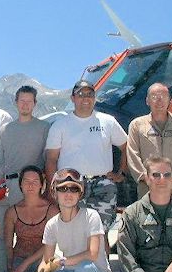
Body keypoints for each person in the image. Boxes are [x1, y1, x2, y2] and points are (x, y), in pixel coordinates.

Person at [19, 168, 112, 272]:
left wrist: (62, 262)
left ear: (80, 193)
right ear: (54, 192)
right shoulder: (52, 224)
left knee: (85, 268)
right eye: (62, 189)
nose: (68, 193)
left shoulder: (91, 216)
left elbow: (92, 254)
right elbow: (46, 260)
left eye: (74, 189)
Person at [45, 79, 128, 253]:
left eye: (90, 94)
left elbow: (126, 146)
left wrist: (122, 172)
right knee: (75, 232)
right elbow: (51, 159)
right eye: (81, 94)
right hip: (72, 186)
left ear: (95, 98)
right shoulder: (60, 125)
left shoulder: (108, 121)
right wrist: (53, 187)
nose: (85, 98)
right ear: (72, 98)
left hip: (103, 186)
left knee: (100, 232)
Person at [0, 85, 50, 225]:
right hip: (7, 187)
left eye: (29, 101)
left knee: (28, 231)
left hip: (31, 187)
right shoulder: (6, 130)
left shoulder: (44, 128)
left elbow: (49, 159)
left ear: (35, 104)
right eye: (22, 101)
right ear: (16, 102)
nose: (25, 105)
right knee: (2, 231)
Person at [127, 82, 172, 200]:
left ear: (169, 100)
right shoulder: (137, 125)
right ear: (147, 101)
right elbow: (132, 153)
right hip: (147, 187)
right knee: (147, 218)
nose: (159, 100)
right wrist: (145, 177)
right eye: (154, 97)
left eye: (164, 96)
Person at [4, 165, 59, 272]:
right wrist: (10, 267)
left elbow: (52, 244)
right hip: (19, 259)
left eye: (35, 182)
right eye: (26, 181)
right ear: (20, 184)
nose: (30, 185)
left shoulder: (52, 210)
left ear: (41, 185)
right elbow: (8, 244)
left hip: (43, 259)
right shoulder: (12, 211)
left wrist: (25, 264)